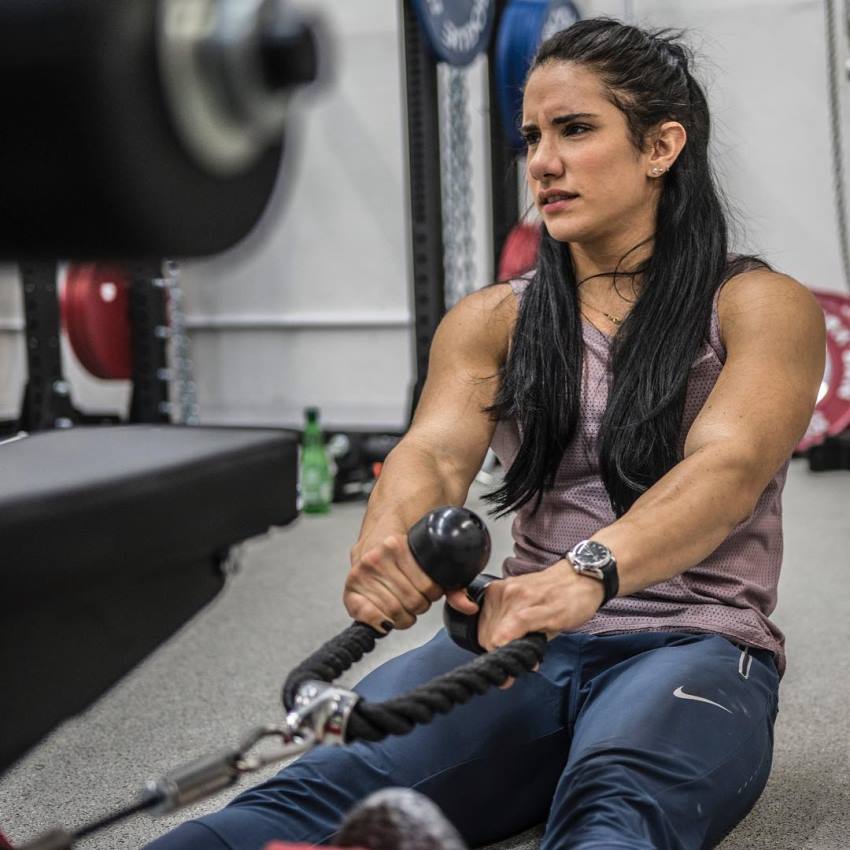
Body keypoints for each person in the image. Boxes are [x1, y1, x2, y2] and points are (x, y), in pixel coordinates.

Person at [148, 18, 825, 850]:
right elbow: (432, 452)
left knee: (611, 820)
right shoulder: (494, 318)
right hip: (525, 639)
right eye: (532, 137)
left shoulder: (757, 304)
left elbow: (729, 466)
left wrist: (590, 571)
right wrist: (391, 543)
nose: (542, 161)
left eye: (576, 130)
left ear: (661, 147)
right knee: (287, 809)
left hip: (693, 642)